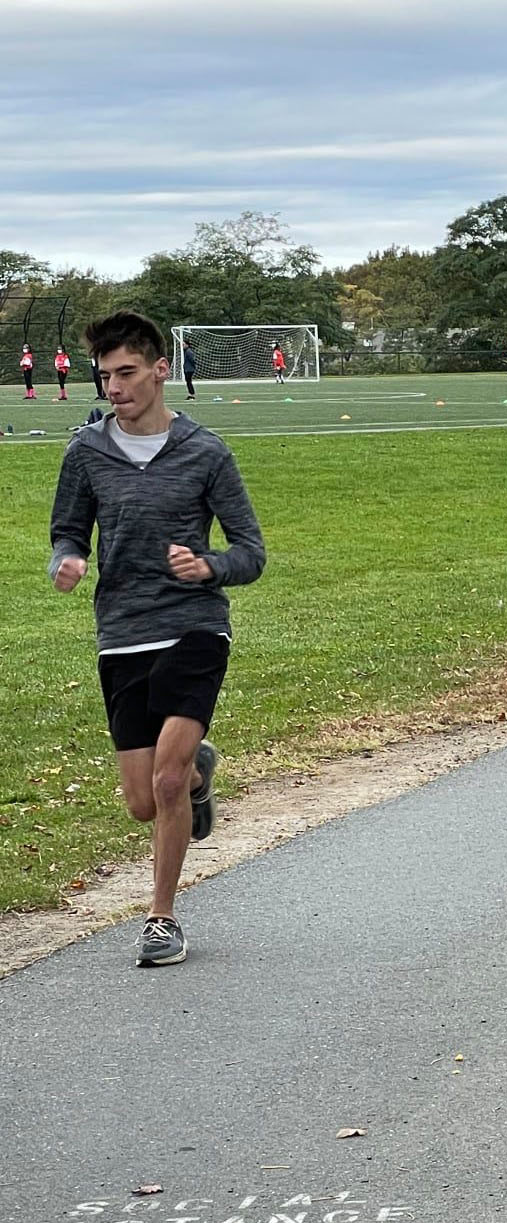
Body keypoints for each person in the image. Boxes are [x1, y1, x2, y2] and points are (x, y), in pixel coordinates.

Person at [48, 310, 266, 967]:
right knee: (144, 801)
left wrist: (211, 567)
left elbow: (251, 551)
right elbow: (68, 528)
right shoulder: (85, 451)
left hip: (194, 625)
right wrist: (69, 559)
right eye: (104, 375)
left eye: (126, 373)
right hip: (121, 632)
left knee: (165, 782)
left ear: (160, 369)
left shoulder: (206, 451)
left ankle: (162, 919)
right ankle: (201, 772)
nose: (113, 387)